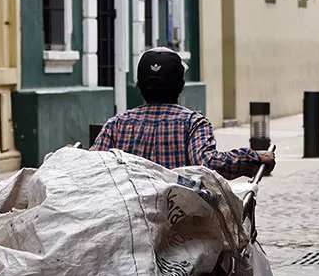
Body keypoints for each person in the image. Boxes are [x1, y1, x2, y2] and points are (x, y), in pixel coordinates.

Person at [91, 47, 274, 178]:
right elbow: (208, 164)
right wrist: (254, 157)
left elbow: (91, 167)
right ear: (181, 86)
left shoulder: (117, 124)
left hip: (131, 221)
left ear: (139, 86)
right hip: (180, 223)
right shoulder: (193, 123)